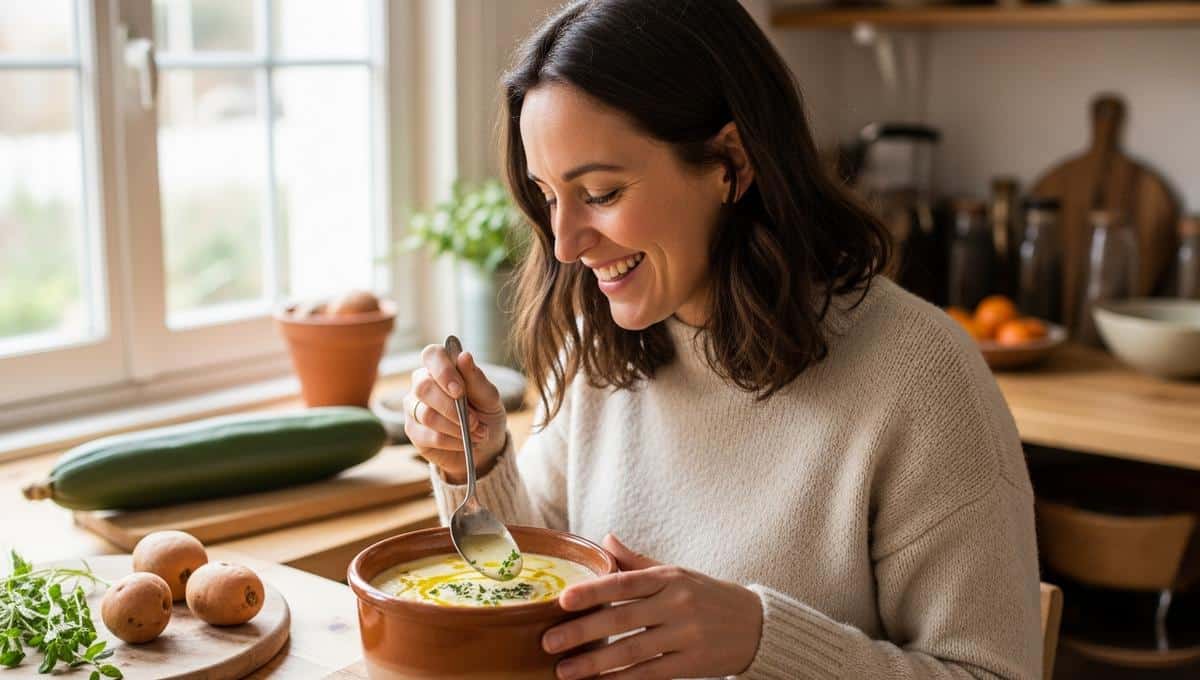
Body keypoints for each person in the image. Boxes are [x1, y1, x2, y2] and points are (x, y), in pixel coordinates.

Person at [403, 1, 1041, 678]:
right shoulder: (599, 343)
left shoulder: (922, 375)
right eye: (548, 196)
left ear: (730, 162)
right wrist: (477, 459)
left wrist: (763, 640)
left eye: (601, 192)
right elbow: (531, 576)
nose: (564, 244)